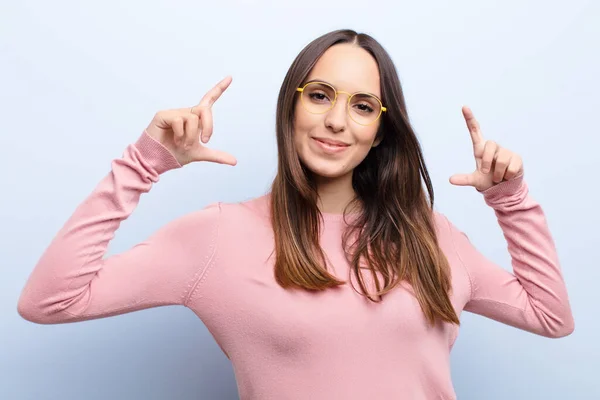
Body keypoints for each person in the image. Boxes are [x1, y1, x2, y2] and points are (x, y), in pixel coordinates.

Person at [17, 29, 573, 399]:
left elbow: (551, 317)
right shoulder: (217, 236)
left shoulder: (427, 234)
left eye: (361, 106)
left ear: (381, 132)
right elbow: (49, 301)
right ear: (292, 104)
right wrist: (145, 160)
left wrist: (512, 199)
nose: (336, 121)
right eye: (320, 94)